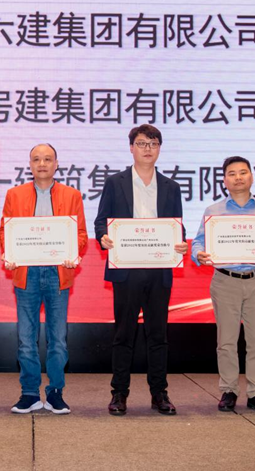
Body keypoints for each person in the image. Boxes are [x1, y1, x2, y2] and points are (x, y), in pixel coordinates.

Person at [93, 124, 188, 416]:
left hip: (159, 268)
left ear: (159, 149)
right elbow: (100, 221)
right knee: (124, 334)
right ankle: (119, 393)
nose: (148, 148)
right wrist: (103, 237)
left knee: (158, 335)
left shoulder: (171, 186)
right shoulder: (115, 182)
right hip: (127, 268)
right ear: (131, 148)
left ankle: (159, 393)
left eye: (153, 143)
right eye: (142, 143)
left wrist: (180, 242)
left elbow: (177, 225)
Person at [191, 156, 255, 414]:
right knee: (226, 341)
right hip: (225, 280)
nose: (238, 177)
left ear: (251, 177)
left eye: (243, 172)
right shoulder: (214, 211)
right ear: (224, 180)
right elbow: (198, 242)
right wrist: (198, 253)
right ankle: (229, 390)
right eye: (232, 173)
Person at [0, 144, 88, 414]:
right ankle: (29, 393)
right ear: (30, 164)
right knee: (26, 339)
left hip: (58, 272)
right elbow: (5, 231)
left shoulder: (72, 195)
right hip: (26, 272)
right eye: (36, 159)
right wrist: (10, 253)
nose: (42, 164)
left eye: (47, 159)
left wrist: (72, 252)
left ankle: (55, 392)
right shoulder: (14, 194)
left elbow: (80, 235)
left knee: (57, 339)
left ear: (56, 164)